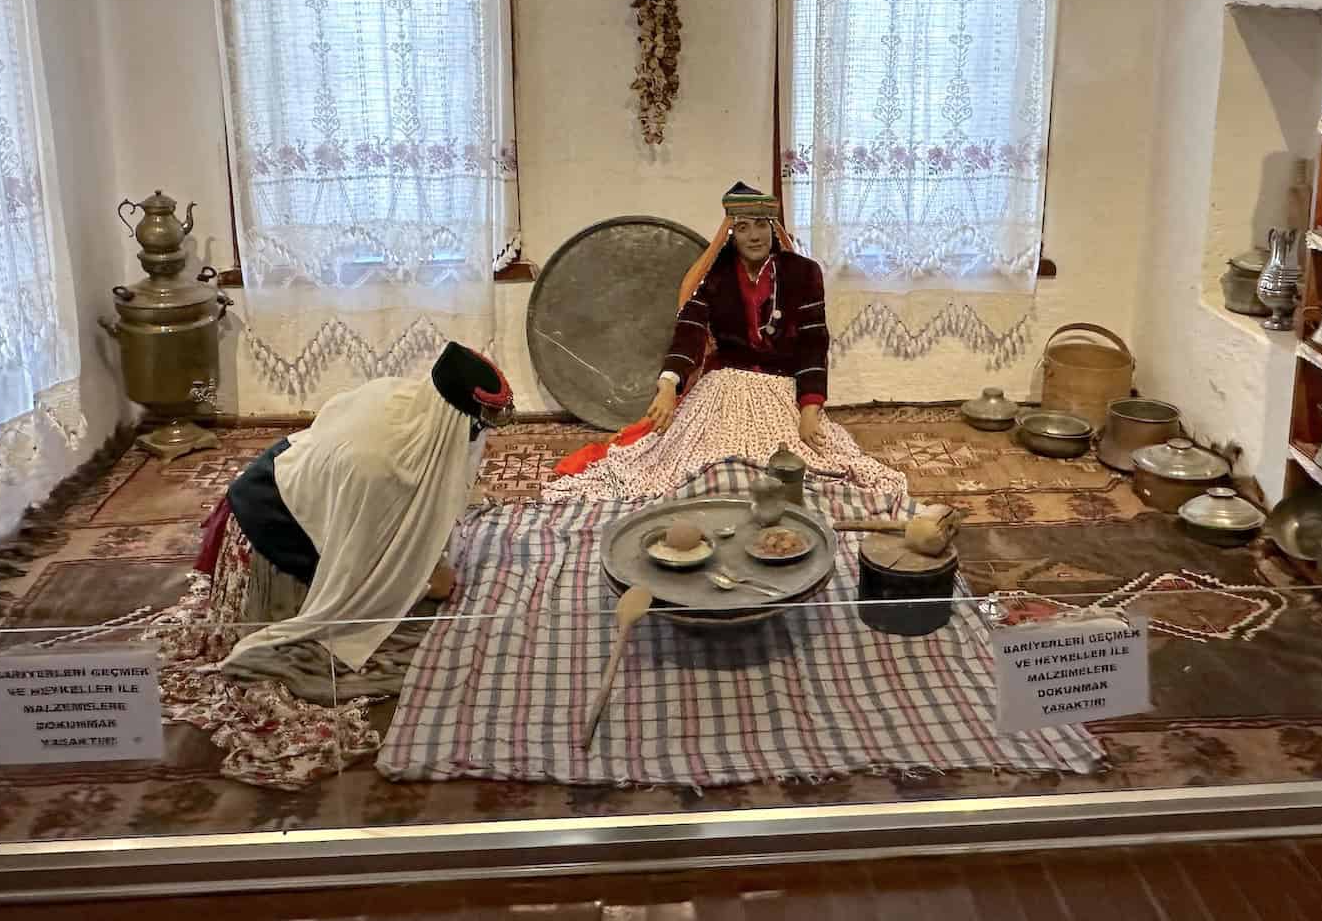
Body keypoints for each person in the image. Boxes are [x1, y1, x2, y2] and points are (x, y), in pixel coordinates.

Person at [549, 182, 906, 503]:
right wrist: (668, 385)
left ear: (773, 227)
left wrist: (810, 407)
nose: (754, 236)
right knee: (694, 460)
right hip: (724, 384)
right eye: (743, 227)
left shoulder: (802, 273)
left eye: (761, 225)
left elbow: (814, 340)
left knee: (800, 463)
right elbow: (689, 328)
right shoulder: (717, 276)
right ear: (730, 234)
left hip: (779, 387)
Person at [203, 341, 514, 689]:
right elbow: (356, 566)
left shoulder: (399, 396)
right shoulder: (378, 470)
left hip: (298, 473)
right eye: (475, 429)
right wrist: (422, 583)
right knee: (416, 609)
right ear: (453, 425)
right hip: (273, 523)